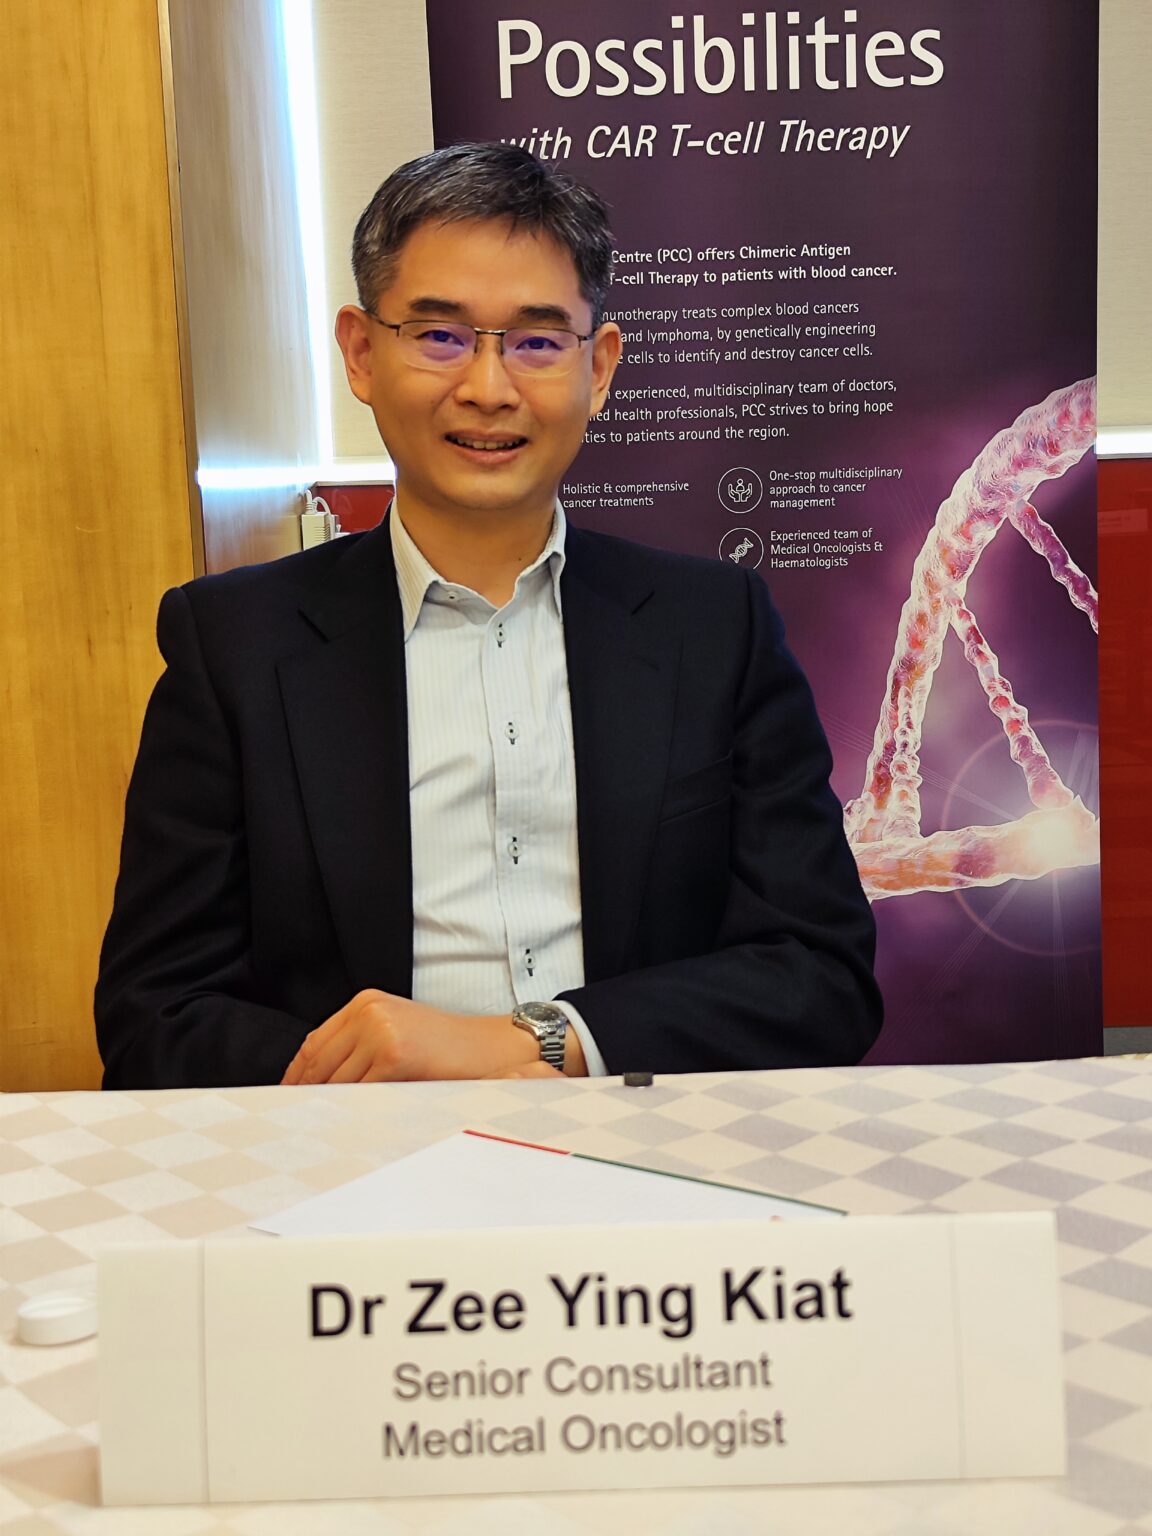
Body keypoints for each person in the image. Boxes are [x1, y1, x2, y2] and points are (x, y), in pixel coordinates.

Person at [95, 142, 881, 1089]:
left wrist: (537, 1043)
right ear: (361, 353)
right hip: (356, 1160)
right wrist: (381, 1084)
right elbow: (154, 1014)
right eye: (439, 335)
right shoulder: (234, 645)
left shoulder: (715, 628)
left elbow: (820, 974)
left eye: (537, 342)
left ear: (600, 368)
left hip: (647, 1141)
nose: (488, 387)